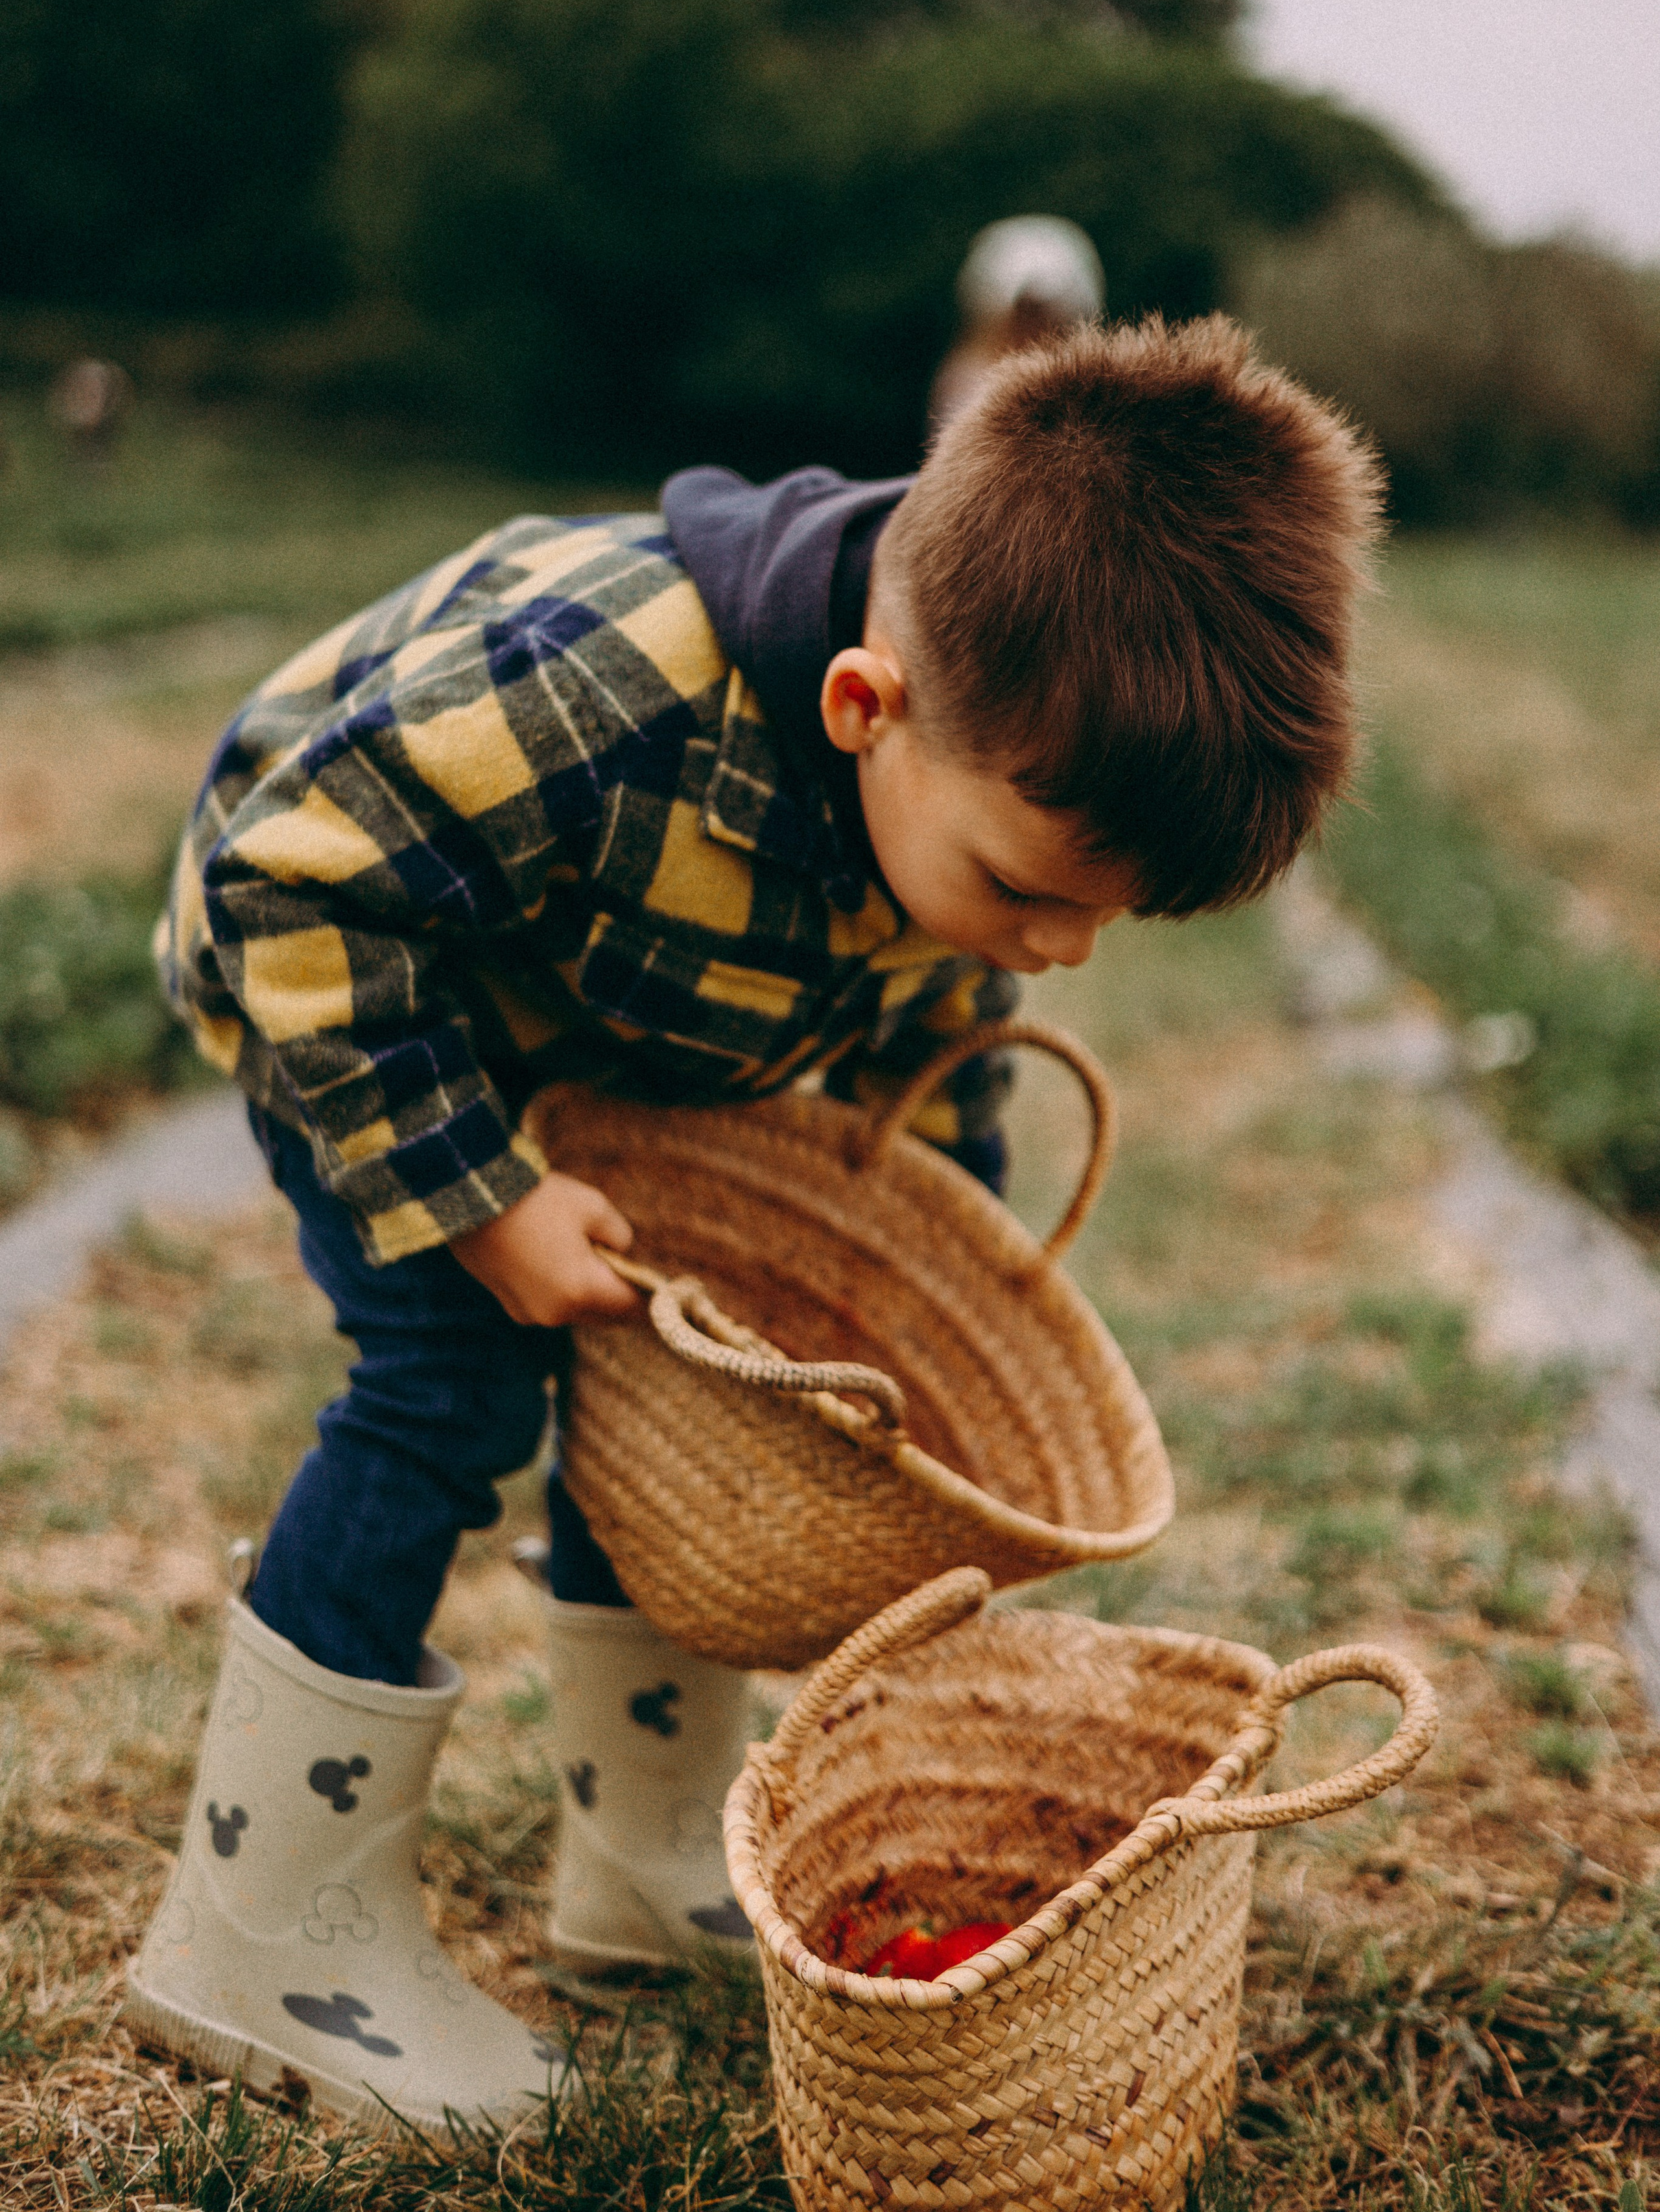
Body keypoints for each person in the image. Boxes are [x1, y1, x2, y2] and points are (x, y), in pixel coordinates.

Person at [128, 312, 1382, 2125]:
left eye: (1104, 923)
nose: (1054, 952)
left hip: (620, 1028)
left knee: (687, 1386)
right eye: (1028, 894)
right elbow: (295, 881)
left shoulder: (953, 779)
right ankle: (259, 1932)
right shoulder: (600, 689)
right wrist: (482, 1200)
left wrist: (919, 1322)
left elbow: (923, 1085)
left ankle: (637, 1861)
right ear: (864, 709)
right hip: (370, 995)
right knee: (447, 1382)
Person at [929, 215, 1106, 432]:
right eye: (1023, 313)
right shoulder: (965, 388)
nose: (1032, 329)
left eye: (1042, 315)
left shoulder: (1095, 388)